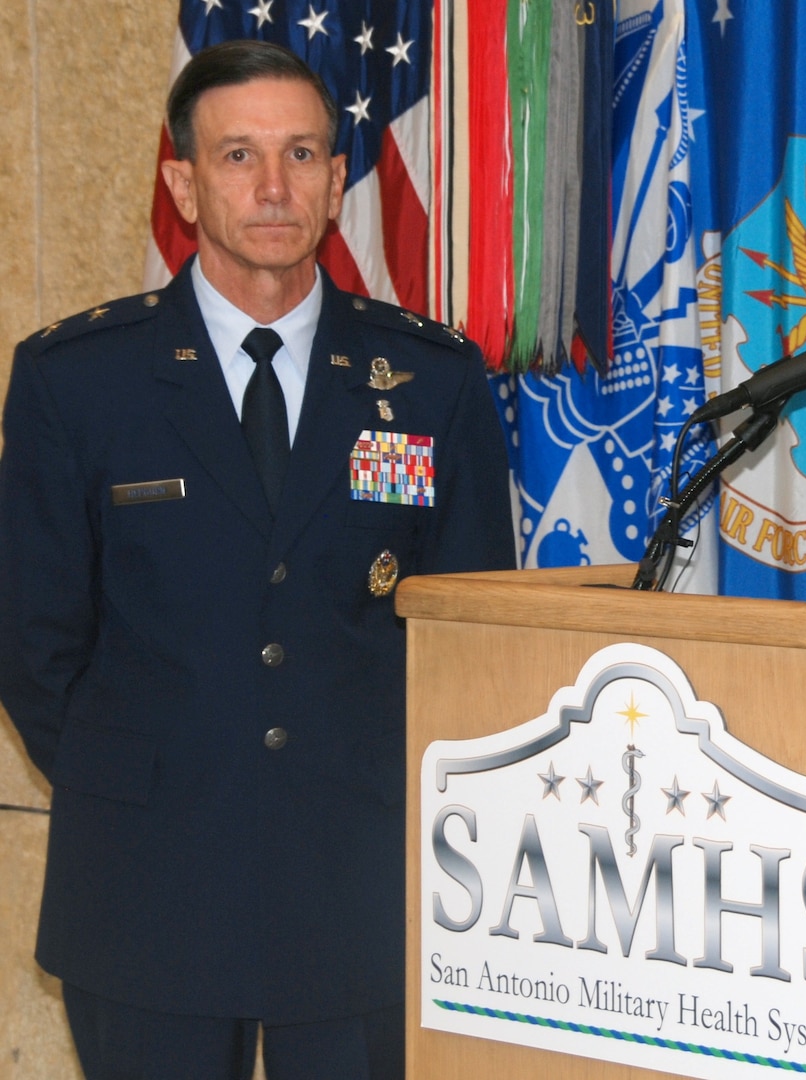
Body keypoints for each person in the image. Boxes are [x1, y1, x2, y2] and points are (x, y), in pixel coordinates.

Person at [0, 39, 515, 1079]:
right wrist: (153, 778)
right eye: (238, 157)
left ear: (336, 178)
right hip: (149, 890)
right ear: (183, 185)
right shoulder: (77, 382)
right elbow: (32, 642)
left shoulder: (431, 381)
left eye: (301, 154)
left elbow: (472, 635)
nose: (273, 186)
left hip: (363, 891)